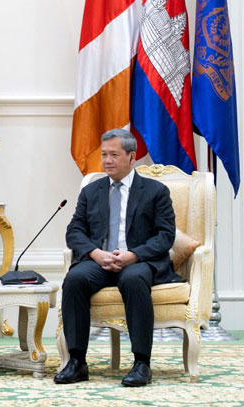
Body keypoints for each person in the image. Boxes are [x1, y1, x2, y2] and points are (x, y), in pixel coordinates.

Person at [56, 128, 178, 387]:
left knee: (133, 279)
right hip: (100, 262)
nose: (107, 161)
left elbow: (165, 236)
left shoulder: (156, 191)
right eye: (104, 155)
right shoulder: (91, 191)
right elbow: (74, 231)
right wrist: (95, 253)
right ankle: (77, 362)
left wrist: (133, 255)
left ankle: (142, 363)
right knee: (75, 278)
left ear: (131, 157)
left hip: (138, 262)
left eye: (114, 154)